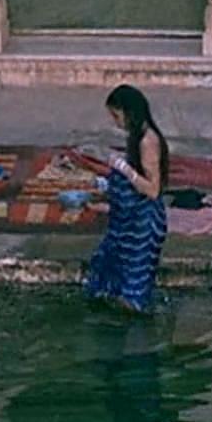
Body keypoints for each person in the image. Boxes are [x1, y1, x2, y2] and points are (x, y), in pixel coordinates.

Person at [84, 84, 169, 313]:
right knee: (105, 271)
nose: (115, 122)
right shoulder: (136, 137)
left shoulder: (148, 142)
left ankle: (134, 327)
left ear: (129, 112)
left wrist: (125, 169)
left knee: (132, 287)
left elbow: (152, 190)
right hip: (127, 222)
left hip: (142, 228)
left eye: (116, 116)